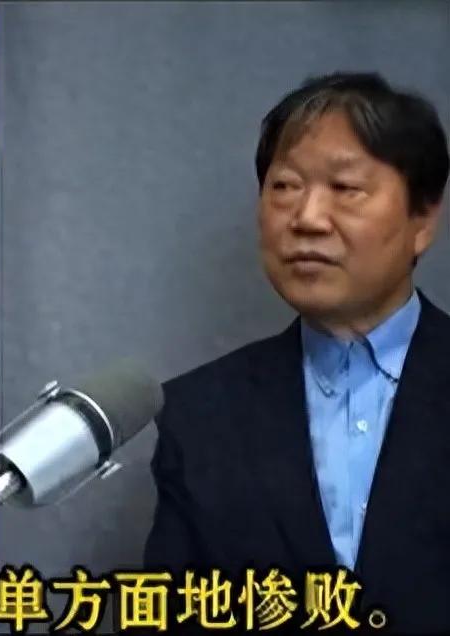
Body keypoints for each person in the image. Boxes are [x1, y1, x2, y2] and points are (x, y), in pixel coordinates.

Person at [145, 72, 450, 632]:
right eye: (284, 186)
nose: (306, 218)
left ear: (423, 220)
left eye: (345, 188)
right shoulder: (198, 415)